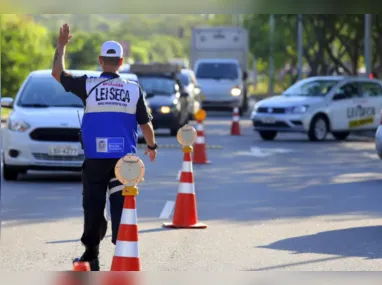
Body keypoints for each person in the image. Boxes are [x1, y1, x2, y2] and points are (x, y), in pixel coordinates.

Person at [51, 23, 158, 271]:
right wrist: (152, 146)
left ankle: (91, 255)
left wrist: (61, 45)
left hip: (96, 158)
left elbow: (58, 74)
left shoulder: (88, 85)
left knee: (93, 205)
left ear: (101, 60)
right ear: (121, 61)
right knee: (122, 204)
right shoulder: (133, 89)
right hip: (125, 162)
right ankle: (123, 253)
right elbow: (146, 125)